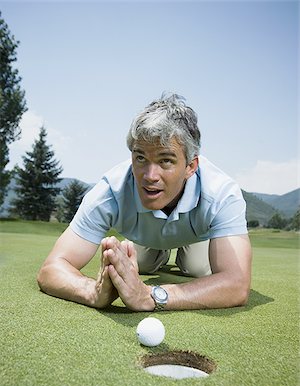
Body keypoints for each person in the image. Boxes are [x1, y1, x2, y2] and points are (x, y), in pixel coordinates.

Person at [37, 93, 252, 311]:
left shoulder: (222, 193)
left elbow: (236, 284)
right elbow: (51, 269)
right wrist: (91, 291)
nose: (150, 176)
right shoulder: (109, 191)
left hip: (197, 233)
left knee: (195, 267)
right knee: (143, 265)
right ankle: (157, 254)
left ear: (190, 166)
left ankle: (185, 256)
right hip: (145, 237)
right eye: (140, 158)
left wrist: (150, 296)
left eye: (165, 160)